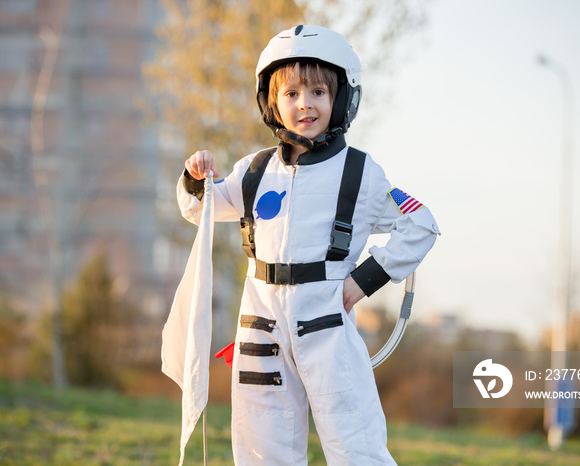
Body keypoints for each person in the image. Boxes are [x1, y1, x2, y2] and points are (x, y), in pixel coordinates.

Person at [177, 24, 439, 465]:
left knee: (357, 447)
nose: (305, 104)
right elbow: (197, 209)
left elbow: (421, 226)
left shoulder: (359, 173)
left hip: (328, 331)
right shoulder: (254, 171)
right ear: (271, 103)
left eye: (318, 91)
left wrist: (363, 281)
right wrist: (194, 176)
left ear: (341, 100)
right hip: (260, 330)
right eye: (292, 93)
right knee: (262, 452)